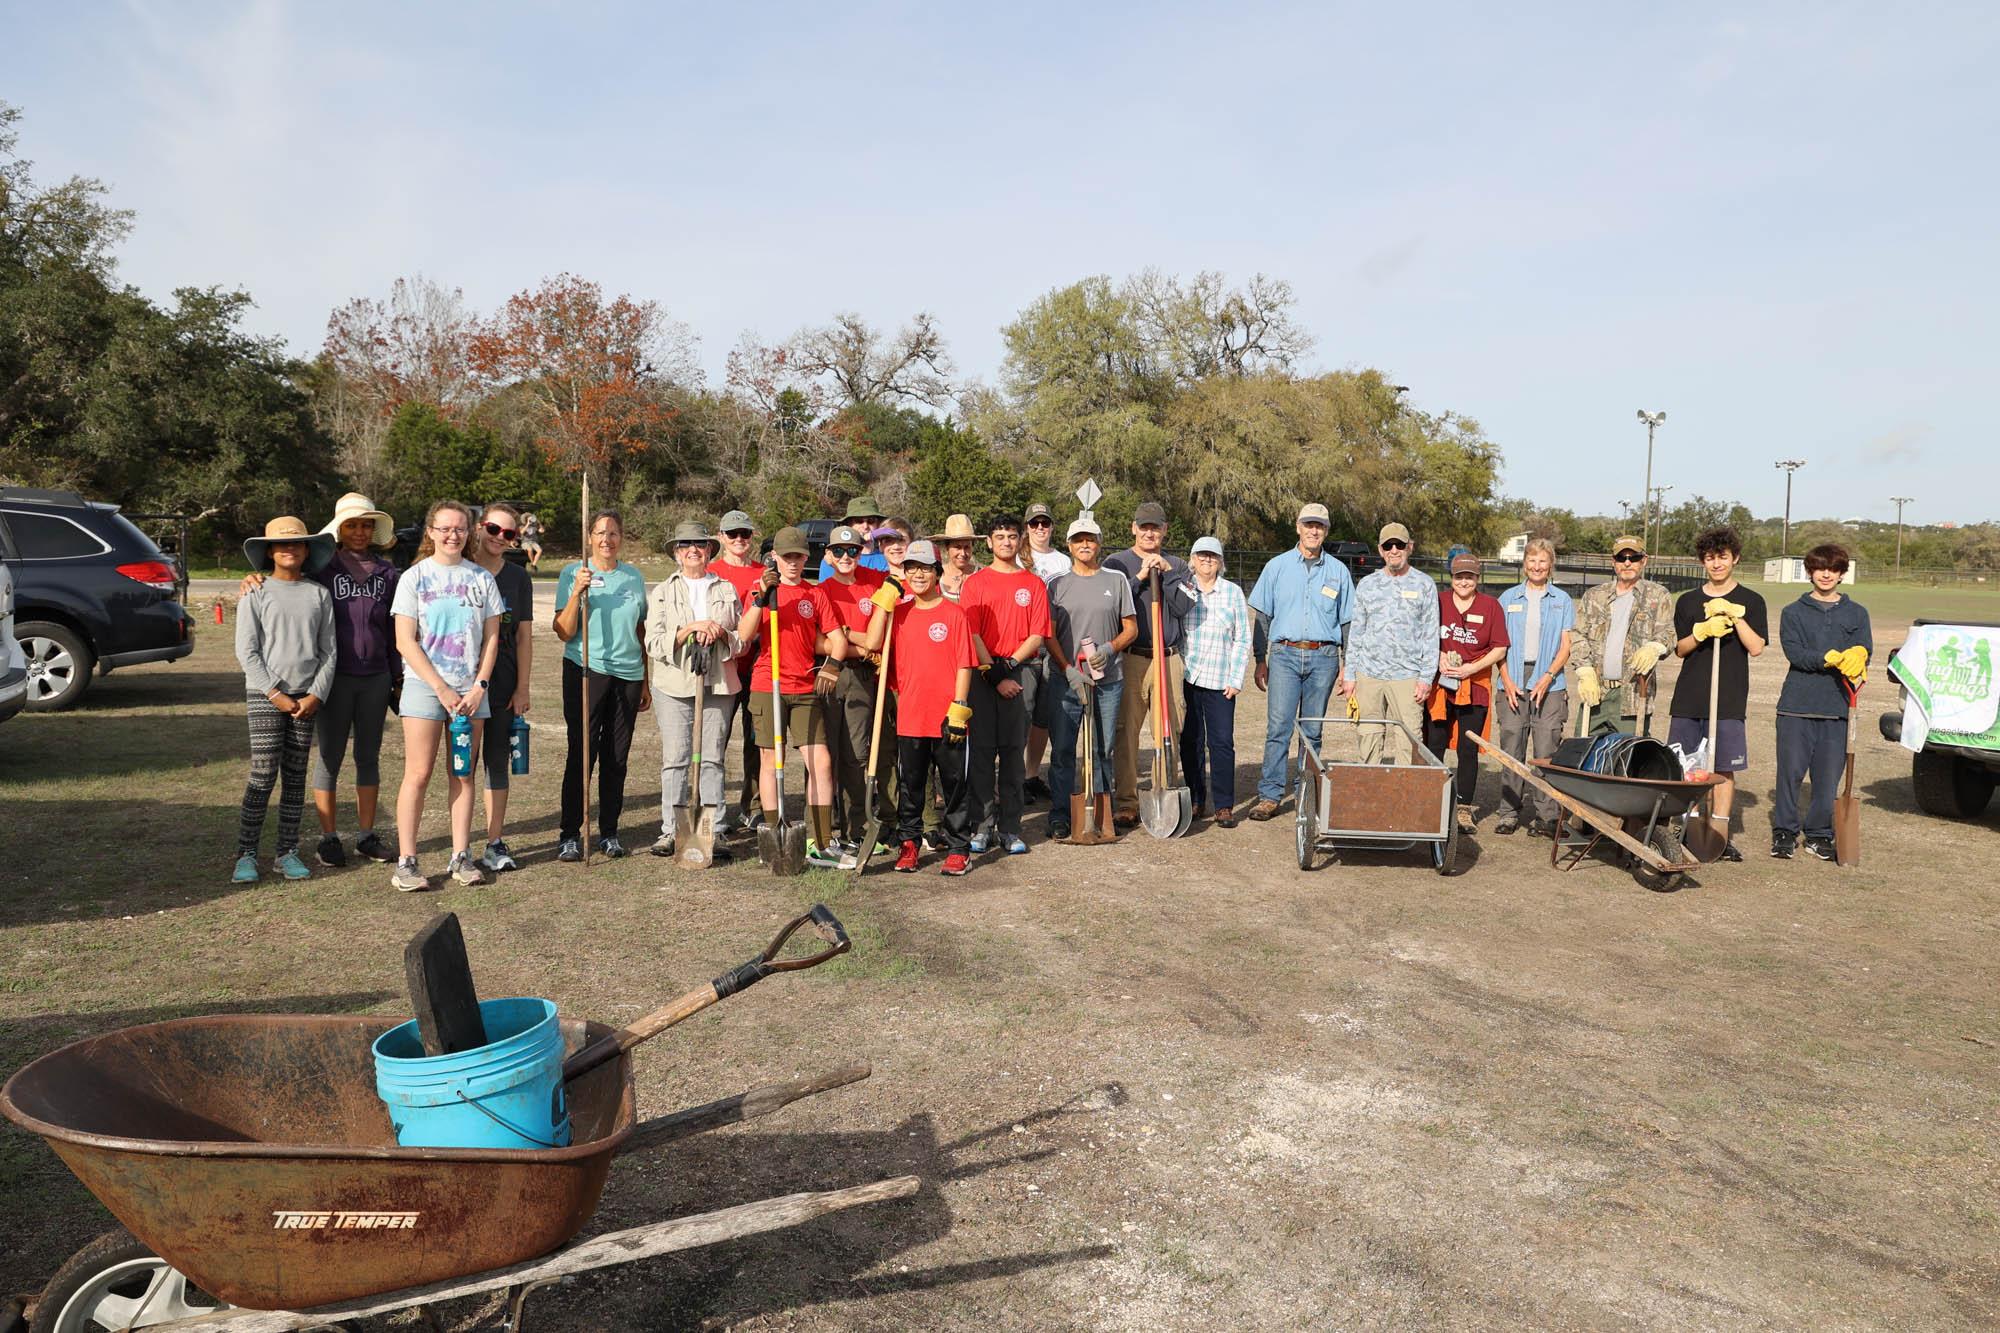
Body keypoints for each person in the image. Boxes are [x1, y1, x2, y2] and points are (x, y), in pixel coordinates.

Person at [237, 492, 401, 867]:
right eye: (351, 525)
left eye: (365, 525)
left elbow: (394, 629)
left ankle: (365, 835)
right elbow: (283, 584)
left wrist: (396, 677)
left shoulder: (389, 574)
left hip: (375, 677)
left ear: (374, 530)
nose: (359, 532)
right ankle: (328, 839)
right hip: (333, 680)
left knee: (368, 756)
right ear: (338, 530)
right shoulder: (322, 572)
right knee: (329, 757)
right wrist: (250, 579)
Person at [390, 501, 504, 891]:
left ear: (469, 533)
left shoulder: (482, 579)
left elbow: (492, 638)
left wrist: (479, 687)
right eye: (445, 528)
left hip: (471, 693)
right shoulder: (414, 578)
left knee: (463, 774)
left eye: (460, 529)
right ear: (431, 532)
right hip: (425, 689)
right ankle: (407, 861)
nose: (452, 535)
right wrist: (439, 687)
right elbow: (405, 641)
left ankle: (461, 856)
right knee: (418, 774)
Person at [856, 540, 975, 875]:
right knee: (911, 787)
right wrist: (886, 596)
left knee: (953, 785)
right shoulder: (899, 615)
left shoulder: (954, 614)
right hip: (911, 715)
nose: (918, 574)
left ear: (937, 572)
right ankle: (909, 845)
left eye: (925, 568)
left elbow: (965, 664)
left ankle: (958, 848)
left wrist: (960, 707)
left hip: (948, 716)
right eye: (911, 568)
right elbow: (873, 642)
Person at [231, 517, 337, 884]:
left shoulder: (319, 594)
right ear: (270, 551)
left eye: (296, 544)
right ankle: (246, 854)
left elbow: (329, 651)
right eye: (281, 545)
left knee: (294, 779)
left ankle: (286, 852)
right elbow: (247, 652)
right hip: (266, 695)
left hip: (305, 699)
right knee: (262, 775)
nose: (289, 549)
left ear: (307, 550)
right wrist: (275, 693)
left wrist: (316, 694)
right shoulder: (255, 592)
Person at [738, 525, 850, 868]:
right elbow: (744, 635)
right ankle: (774, 836)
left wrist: (831, 666)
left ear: (806, 558)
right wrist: (761, 597)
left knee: (821, 761)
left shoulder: (814, 594)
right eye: (787, 557)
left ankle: (820, 841)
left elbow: (838, 639)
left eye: (799, 556)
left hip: (804, 688)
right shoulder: (762, 591)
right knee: (772, 762)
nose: (793, 563)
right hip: (767, 685)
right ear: (775, 558)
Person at [1243, 503, 1354, 822]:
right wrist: (1259, 659)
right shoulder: (1277, 567)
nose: (1313, 530)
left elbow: (1347, 622)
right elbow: (1263, 616)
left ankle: (1307, 791)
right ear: (1298, 527)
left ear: (1326, 531)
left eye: (1319, 526)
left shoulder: (1338, 572)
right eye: (1309, 524)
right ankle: (1270, 794)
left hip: (1324, 657)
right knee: (1278, 728)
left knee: (1313, 730)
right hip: (1284, 655)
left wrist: (1348, 663)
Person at [553, 509, 649, 861]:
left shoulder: (634, 577)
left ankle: (609, 831)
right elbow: (562, 630)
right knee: (582, 753)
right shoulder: (573, 574)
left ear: (621, 537)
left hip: (628, 674)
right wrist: (577, 591)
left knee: (616, 757)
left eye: (613, 533)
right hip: (585, 669)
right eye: (599, 533)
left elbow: (641, 630)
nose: (606, 539)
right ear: (589, 537)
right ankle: (569, 834)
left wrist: (646, 681)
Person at [645, 521, 744, 861]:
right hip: (674, 685)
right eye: (685, 544)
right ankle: (671, 831)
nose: (693, 550)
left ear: (709, 550)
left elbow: (741, 640)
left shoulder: (726, 588)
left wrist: (721, 633)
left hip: (717, 683)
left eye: (699, 544)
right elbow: (653, 642)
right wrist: (687, 629)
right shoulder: (662, 591)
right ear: (675, 551)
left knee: (712, 758)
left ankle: (713, 831)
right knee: (676, 759)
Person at [1668, 525, 1769, 862]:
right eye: (1710, 558)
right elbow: (1681, 649)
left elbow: (1756, 647)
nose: (1716, 564)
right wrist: (1702, 630)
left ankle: (1720, 834)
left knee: (1723, 768)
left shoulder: (1752, 601)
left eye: (1722, 557)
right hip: (1689, 696)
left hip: (1728, 698)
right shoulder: (1688, 601)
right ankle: (1688, 827)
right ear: (1702, 561)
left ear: (1735, 558)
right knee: (1687, 766)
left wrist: (1734, 618)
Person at [1771, 544, 1870, 860]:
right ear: (1810, 572)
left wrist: (1859, 654)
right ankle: (1784, 832)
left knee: (1827, 780)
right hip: (1795, 706)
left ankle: (1818, 834)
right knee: (1789, 774)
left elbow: (1864, 646)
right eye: (1819, 568)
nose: (1826, 574)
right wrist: (1824, 658)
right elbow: (1795, 653)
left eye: (1833, 568)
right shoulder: (1793, 612)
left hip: (1837, 709)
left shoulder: (1857, 613)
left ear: (1842, 573)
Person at [961, 513, 1051, 855]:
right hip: (984, 673)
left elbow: (1037, 633)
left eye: (1012, 536)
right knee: (982, 752)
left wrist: (1010, 666)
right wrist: (993, 673)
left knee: (1014, 753)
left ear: (1020, 540)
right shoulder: (977, 583)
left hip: (1021, 670)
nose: (1006, 542)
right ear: (989, 541)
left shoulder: (1032, 584)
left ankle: (1011, 828)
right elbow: (972, 632)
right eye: (999, 537)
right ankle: (981, 826)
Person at [1043, 515, 1138, 840]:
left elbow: (1131, 629)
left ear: (1099, 544)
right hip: (1066, 681)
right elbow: (1049, 635)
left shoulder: (1116, 580)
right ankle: (1060, 815)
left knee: (1102, 749)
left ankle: (1100, 814)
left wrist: (1110, 649)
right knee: (1063, 750)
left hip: (1107, 682)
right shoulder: (1056, 584)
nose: (1085, 545)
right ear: (1069, 545)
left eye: (1091, 539)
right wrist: (1067, 668)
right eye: (1078, 540)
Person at [1104, 501, 1196, 829]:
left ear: (1164, 530)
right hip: (1131, 658)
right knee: (1126, 731)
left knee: (1167, 728)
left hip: (1166, 658)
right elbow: (1111, 605)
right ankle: (1127, 801)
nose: (1149, 533)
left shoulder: (1179, 565)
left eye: (1155, 527)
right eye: (1144, 527)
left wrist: (1167, 576)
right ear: (1133, 528)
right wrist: (1140, 576)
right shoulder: (1117, 563)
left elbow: (1185, 605)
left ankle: (1163, 790)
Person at [1337, 522, 1440, 765]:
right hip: (1368, 675)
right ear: (1380, 550)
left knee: (1409, 742)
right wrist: (1350, 675)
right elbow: (1357, 633)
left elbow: (1430, 634)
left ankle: (1404, 798)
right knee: (1368, 738)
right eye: (1388, 545)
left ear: (1410, 547)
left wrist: (1426, 678)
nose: (1394, 550)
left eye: (1400, 544)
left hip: (1407, 677)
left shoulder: (1425, 584)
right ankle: (1372, 794)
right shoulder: (1367, 584)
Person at [1493, 538, 1576, 836]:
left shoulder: (1562, 600)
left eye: (1543, 561)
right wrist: (1508, 680)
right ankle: (1509, 813)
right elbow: (1498, 645)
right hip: (1513, 679)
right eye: (1532, 560)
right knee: (1512, 745)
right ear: (1524, 563)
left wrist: (1548, 676)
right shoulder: (1508, 598)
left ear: (1551, 565)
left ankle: (1547, 816)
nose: (1537, 566)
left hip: (1550, 682)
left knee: (1546, 748)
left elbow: (1566, 646)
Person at [816, 524, 890, 855]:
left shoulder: (875, 583)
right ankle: (826, 830)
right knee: (826, 753)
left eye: (854, 551)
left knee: (857, 754)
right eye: (840, 551)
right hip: (831, 673)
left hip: (862, 677)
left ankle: (857, 827)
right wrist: (862, 649)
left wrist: (854, 645)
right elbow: (823, 640)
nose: (847, 557)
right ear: (829, 556)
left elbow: (882, 630)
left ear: (862, 554)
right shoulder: (822, 590)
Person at [469, 502, 535, 873]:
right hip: (462, 688)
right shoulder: (459, 570)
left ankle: (494, 842)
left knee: (497, 764)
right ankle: (460, 848)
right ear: (480, 527)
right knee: (462, 767)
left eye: (509, 534)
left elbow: (524, 637)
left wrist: (522, 687)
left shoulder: (518, 578)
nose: (499, 538)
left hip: (503, 685)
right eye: (494, 529)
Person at [1426, 554, 1509, 830]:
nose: (1464, 581)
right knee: (1434, 743)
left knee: (1467, 748)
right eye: (1459, 576)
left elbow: (1499, 648)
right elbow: (1423, 635)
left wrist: (1471, 668)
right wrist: (1438, 656)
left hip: (1475, 686)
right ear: (1451, 577)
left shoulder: (1491, 606)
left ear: (1477, 578)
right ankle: (1432, 803)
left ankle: (1463, 808)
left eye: (1470, 576)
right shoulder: (1437, 601)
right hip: (1440, 685)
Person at [1568, 535, 1674, 735]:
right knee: (1584, 757)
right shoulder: (1594, 596)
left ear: (1644, 560)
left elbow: (1668, 633)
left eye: (1633, 558)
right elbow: (1578, 635)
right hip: (1596, 693)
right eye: (1621, 558)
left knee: (1627, 760)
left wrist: (1654, 647)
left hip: (1633, 696)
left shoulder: (1658, 595)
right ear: (1613, 562)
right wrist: (1584, 670)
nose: (1627, 563)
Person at [1180, 536, 1251, 827]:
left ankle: (1223, 805)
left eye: (1212, 556)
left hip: (1221, 680)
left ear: (1220, 562)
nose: (1207, 560)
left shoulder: (1232, 593)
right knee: (1190, 741)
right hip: (1188, 676)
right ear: (1193, 559)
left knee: (1221, 743)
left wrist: (1236, 678)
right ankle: (1197, 799)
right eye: (1201, 555)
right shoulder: (1184, 589)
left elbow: (1242, 637)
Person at [711, 510, 765, 838]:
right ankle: (712, 807)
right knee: (715, 738)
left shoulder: (764, 573)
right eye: (732, 534)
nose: (739, 540)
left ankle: (754, 806)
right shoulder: (712, 572)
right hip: (723, 667)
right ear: (721, 537)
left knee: (757, 739)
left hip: (757, 667)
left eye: (744, 533)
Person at [1021, 501, 1071, 803]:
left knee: (1043, 718)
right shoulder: (1017, 558)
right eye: (1034, 523)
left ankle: (1030, 775)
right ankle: (1014, 776)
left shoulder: (1063, 562)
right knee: (1021, 716)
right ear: (1027, 527)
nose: (1040, 528)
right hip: (1024, 649)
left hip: (1052, 647)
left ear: (1052, 526)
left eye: (1045, 523)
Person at [817, 495, 889, 578]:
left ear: (878, 525)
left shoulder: (888, 558)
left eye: (871, 521)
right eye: (859, 521)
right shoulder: (834, 559)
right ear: (849, 524)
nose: (865, 526)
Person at [931, 513, 979, 601]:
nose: (963, 553)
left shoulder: (981, 575)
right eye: (958, 547)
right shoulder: (935, 576)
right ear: (947, 547)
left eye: (967, 547)